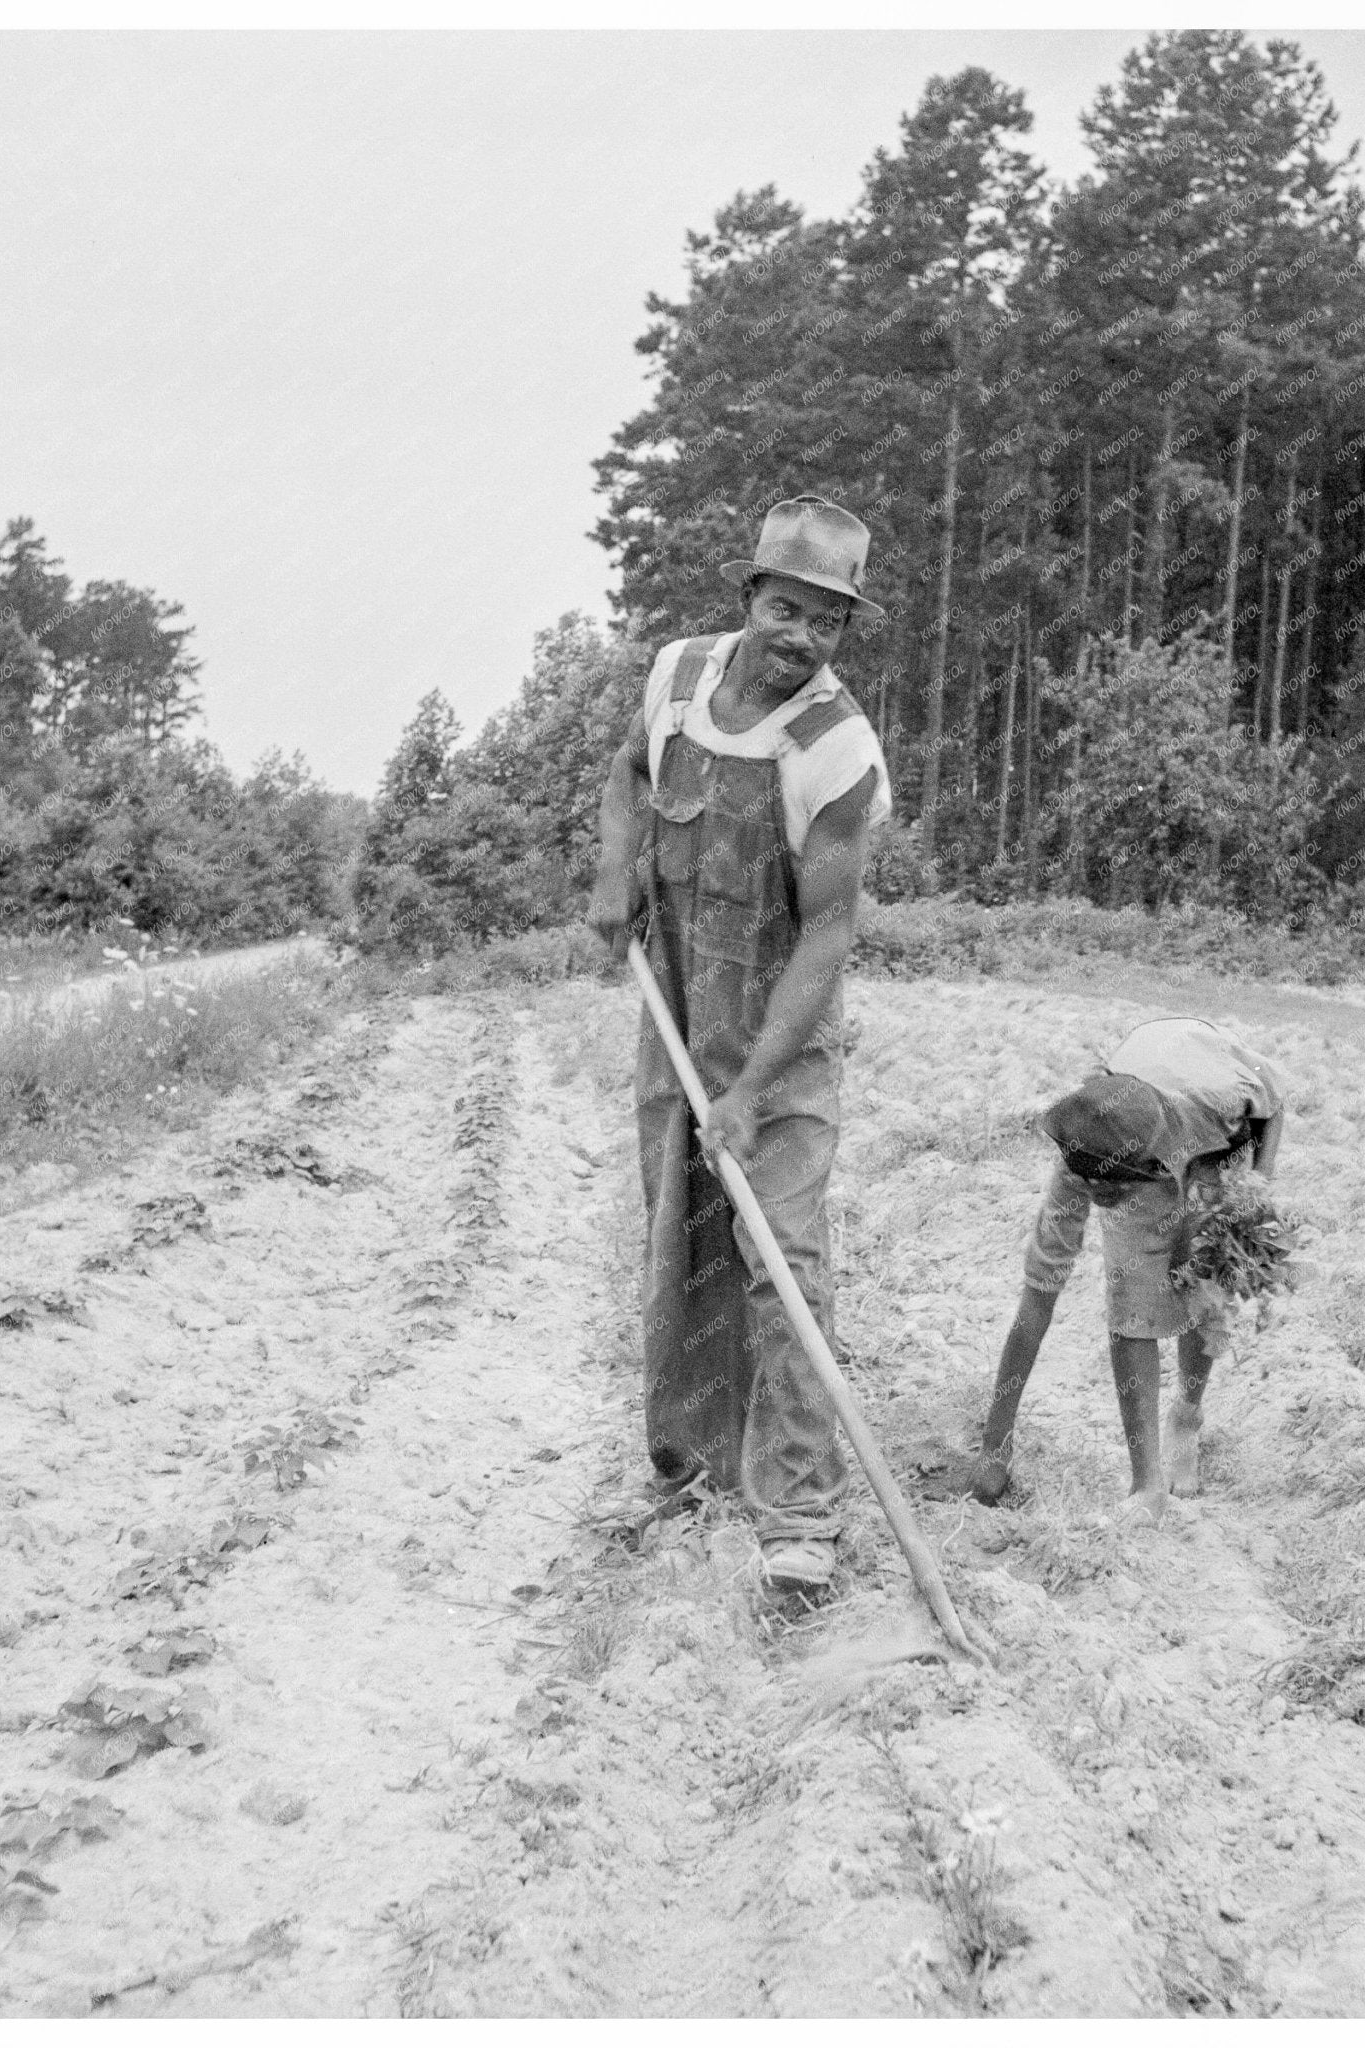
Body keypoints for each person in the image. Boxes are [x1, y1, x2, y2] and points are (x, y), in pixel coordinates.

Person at [586, 496, 892, 1599]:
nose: (798, 633)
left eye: (825, 618)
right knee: (682, 1249)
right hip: (672, 1032)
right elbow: (628, 772)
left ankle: (799, 1513)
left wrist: (755, 1088)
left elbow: (828, 932)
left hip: (781, 1055)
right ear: (747, 598)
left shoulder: (835, 746)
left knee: (782, 1271)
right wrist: (612, 869)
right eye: (783, 605)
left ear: (842, 632)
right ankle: (690, 1472)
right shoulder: (673, 676)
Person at [972, 1017, 1288, 1517]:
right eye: (1093, 1191)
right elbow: (1038, 1293)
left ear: (1147, 1170)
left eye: (1112, 1194)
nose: (1100, 1202)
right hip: (1131, 1130)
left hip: (1213, 1139)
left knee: (1201, 1278)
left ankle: (1186, 1415)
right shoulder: (1088, 1134)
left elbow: (1274, 1099)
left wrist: (1257, 1193)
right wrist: (994, 1447)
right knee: (1132, 1303)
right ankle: (1149, 1485)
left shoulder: (1223, 1101)